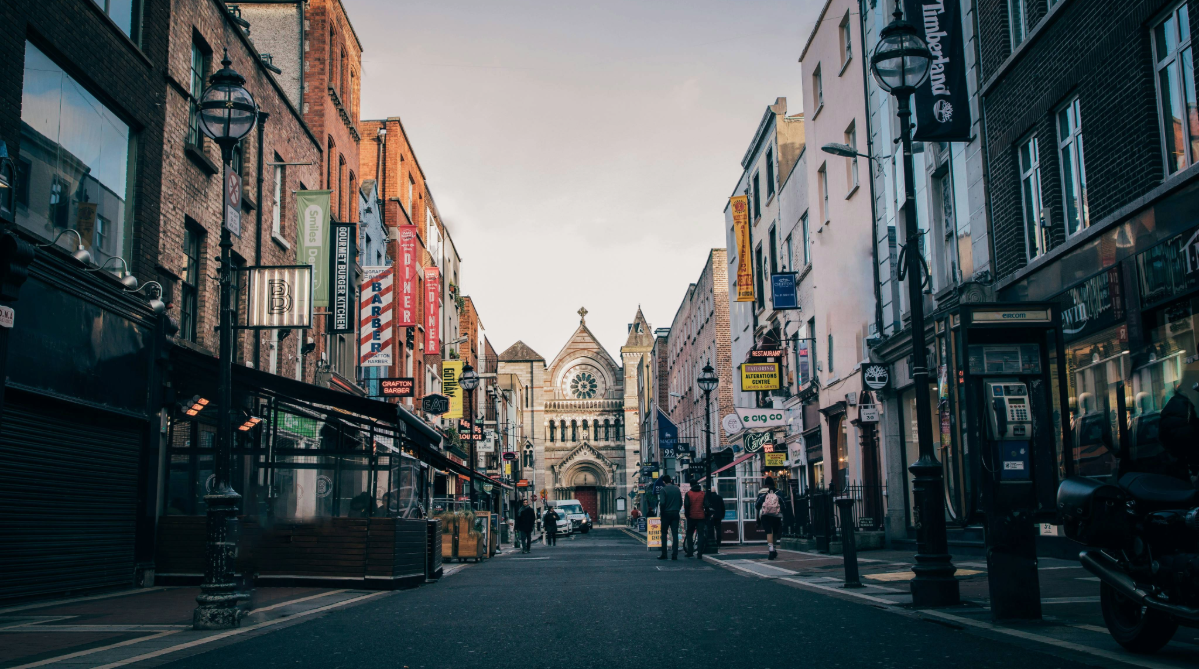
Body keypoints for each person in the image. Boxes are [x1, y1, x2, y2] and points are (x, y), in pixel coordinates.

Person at [756, 476, 783, 560]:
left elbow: (757, 505)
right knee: (775, 532)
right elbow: (784, 503)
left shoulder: (762, 492)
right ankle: (774, 549)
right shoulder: (778, 492)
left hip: (765, 515)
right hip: (776, 515)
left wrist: (758, 520)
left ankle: (770, 550)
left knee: (768, 532)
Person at [657, 475, 682, 560]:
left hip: (666, 513)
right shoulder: (677, 489)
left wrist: (662, 513)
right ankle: (674, 554)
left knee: (664, 533)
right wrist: (677, 509)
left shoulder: (663, 490)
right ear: (670, 480)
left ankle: (664, 554)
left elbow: (662, 503)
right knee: (675, 533)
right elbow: (681, 502)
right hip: (675, 512)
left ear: (664, 482)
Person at [683, 481, 707, 558]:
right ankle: (700, 553)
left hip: (691, 516)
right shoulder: (703, 494)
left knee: (689, 534)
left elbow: (686, 505)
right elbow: (706, 505)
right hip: (701, 516)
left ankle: (690, 552)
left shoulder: (688, 494)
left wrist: (687, 515)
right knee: (701, 535)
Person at [704, 483, 726, 551]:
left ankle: (712, 540)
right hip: (718, 516)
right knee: (718, 529)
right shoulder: (719, 497)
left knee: (711, 529)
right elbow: (723, 507)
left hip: (710, 516)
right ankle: (718, 542)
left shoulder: (708, 497)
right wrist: (722, 515)